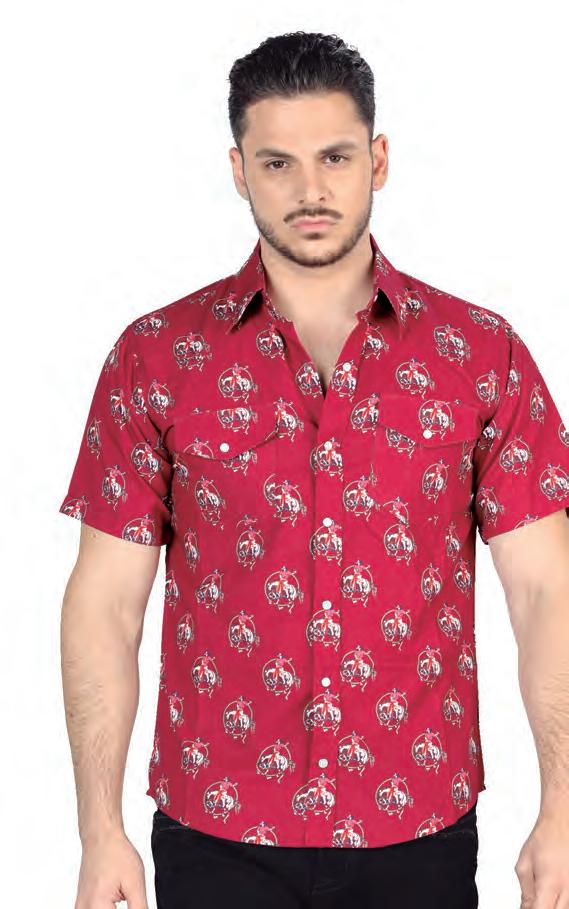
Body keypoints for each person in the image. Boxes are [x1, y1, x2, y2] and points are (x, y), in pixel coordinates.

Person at [58, 30, 569, 909]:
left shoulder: (479, 355)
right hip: (217, 831)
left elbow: (544, 592)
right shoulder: (157, 358)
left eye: (334, 157)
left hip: (418, 828)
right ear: (238, 170)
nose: (309, 190)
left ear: (377, 159)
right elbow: (105, 603)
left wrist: (560, 807)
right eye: (277, 163)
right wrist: (98, 828)